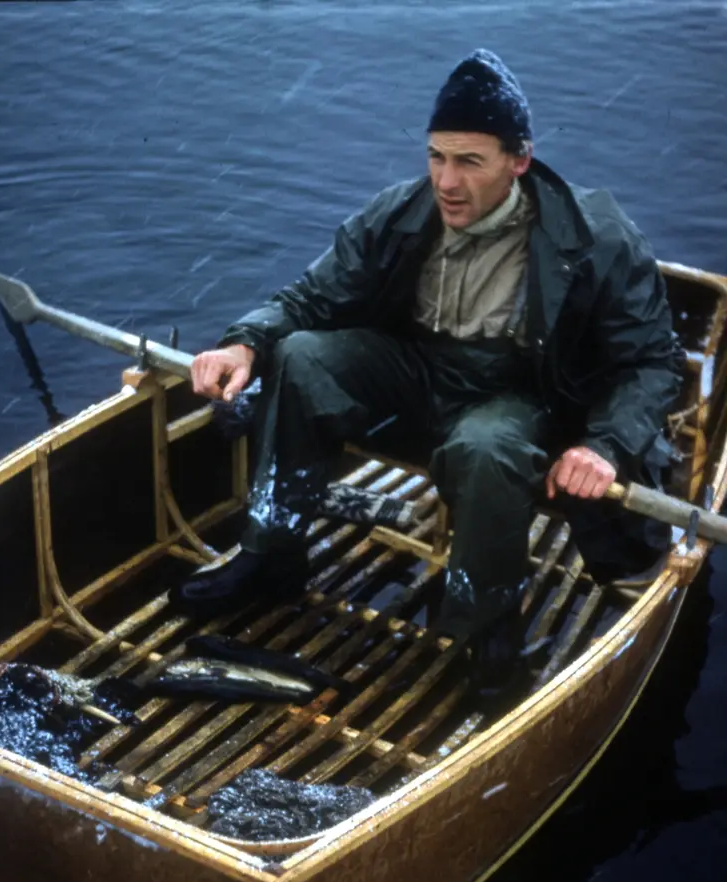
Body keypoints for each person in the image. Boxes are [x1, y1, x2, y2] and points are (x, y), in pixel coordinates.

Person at [169, 49, 683, 683]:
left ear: (518, 161)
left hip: (522, 395)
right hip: (419, 372)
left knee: (486, 447)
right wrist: (244, 343)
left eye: (470, 161)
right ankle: (271, 551)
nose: (446, 182)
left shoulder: (597, 237)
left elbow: (654, 363)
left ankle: (487, 625)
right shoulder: (401, 212)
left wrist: (605, 446)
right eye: (437, 156)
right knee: (302, 354)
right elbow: (311, 298)